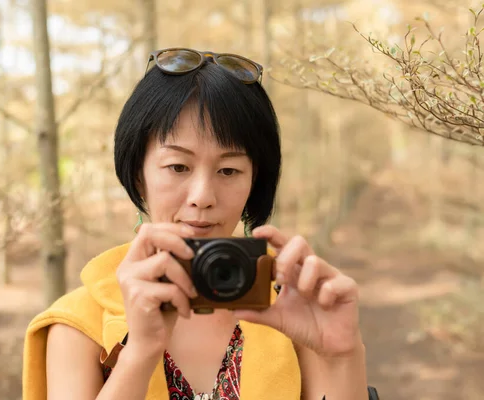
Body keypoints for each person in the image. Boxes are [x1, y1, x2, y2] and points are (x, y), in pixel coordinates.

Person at [22, 48, 373, 400]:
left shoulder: (292, 311)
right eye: (178, 167)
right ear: (138, 173)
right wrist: (140, 352)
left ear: (254, 181)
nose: (202, 196)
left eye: (229, 170)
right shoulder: (80, 323)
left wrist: (343, 355)